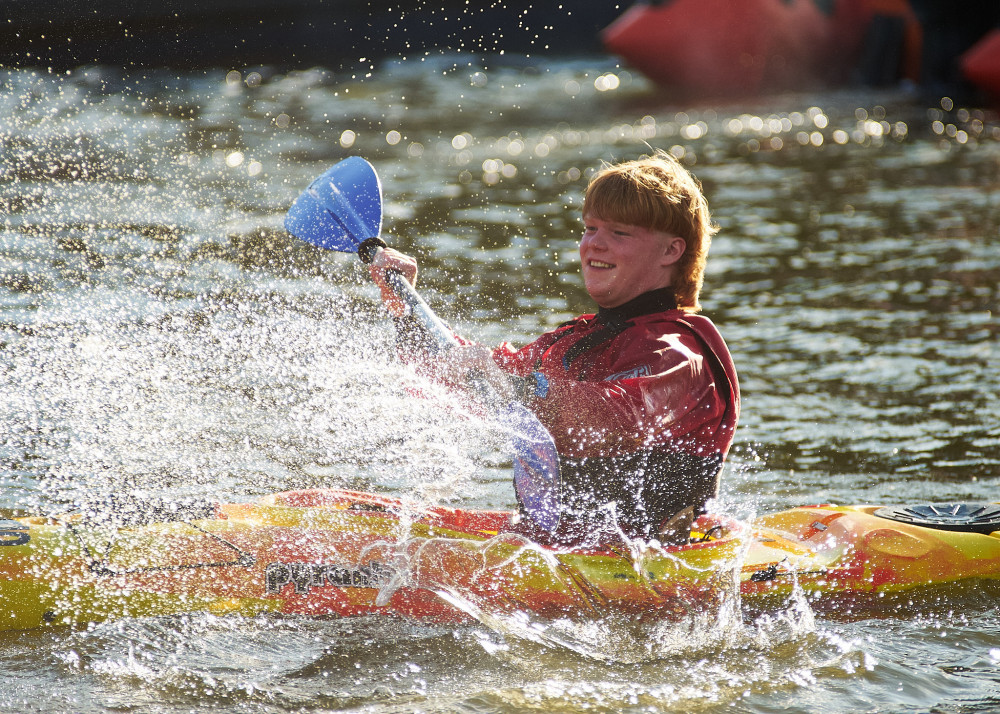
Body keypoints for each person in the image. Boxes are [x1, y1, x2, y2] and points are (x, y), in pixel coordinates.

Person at [370, 151, 740, 546]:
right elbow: (452, 376)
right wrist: (405, 305)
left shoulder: (680, 354)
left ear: (671, 251)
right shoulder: (577, 341)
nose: (593, 244)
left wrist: (517, 388)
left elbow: (616, 415)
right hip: (561, 543)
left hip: (646, 555)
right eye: (590, 229)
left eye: (619, 233)